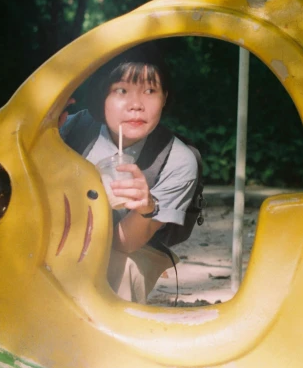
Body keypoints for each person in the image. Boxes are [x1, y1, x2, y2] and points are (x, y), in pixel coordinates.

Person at [59, 43, 199, 304]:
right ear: (103, 97)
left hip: (137, 247)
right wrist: (44, 136)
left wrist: (146, 207)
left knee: (121, 270)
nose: (136, 105)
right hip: (70, 231)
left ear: (165, 97)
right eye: (121, 90)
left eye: (150, 90)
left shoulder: (178, 161)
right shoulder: (74, 128)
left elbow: (125, 244)